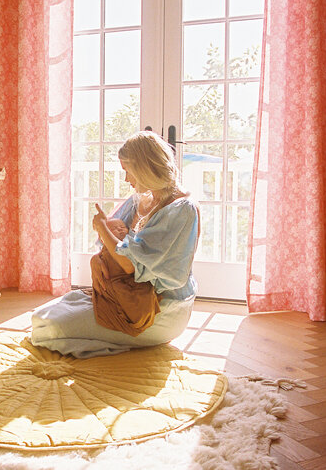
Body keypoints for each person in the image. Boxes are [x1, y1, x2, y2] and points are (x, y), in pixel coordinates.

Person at [31, 131, 200, 358]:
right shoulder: (141, 199)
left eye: (127, 172)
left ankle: (122, 343)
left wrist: (102, 227)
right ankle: (113, 340)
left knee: (48, 327)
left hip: (159, 308)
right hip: (127, 293)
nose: (126, 180)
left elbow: (129, 264)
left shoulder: (182, 210)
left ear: (144, 168)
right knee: (41, 315)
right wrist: (108, 230)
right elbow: (110, 245)